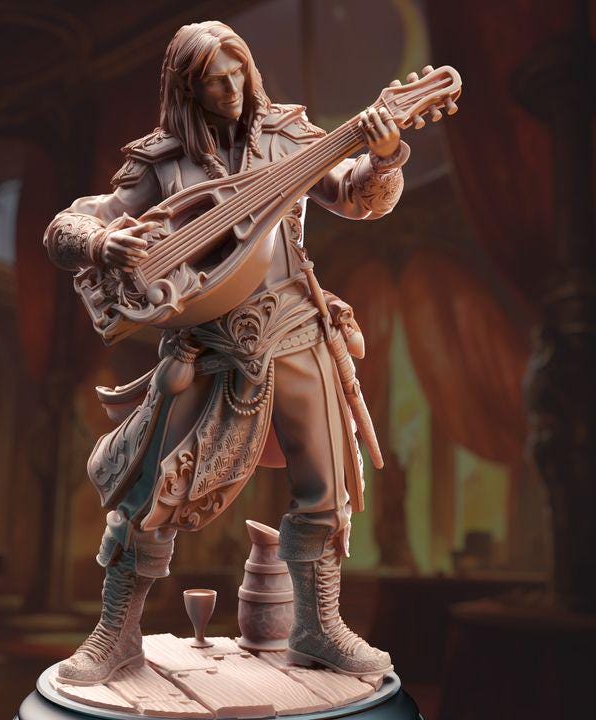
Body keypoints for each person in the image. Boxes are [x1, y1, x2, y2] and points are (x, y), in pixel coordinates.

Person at [44, 20, 409, 685]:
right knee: (148, 492)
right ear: (187, 88)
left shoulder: (288, 136)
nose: (232, 88)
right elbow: (72, 223)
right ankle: (116, 634)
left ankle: (318, 628)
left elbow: (356, 196)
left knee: (327, 489)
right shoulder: (161, 161)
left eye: (238, 71)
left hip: (297, 331)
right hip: (205, 344)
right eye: (214, 79)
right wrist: (101, 243)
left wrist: (383, 159)